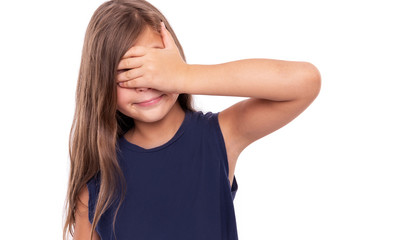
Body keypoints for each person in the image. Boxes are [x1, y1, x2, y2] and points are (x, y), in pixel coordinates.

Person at [62, 0, 321, 239]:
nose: (145, 83)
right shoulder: (96, 186)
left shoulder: (220, 136)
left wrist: (182, 76)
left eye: (154, 67)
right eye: (127, 72)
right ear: (101, 83)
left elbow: (304, 82)